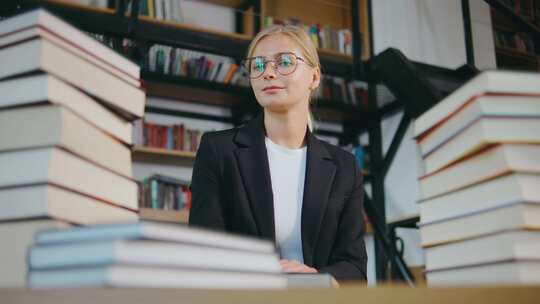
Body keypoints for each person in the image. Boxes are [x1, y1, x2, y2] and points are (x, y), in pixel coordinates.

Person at [189, 24, 367, 282]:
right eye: (258, 65)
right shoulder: (218, 151)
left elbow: (355, 268)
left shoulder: (345, 167)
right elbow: (203, 251)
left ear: (314, 77)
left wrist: (317, 279)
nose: (268, 73)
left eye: (284, 62)